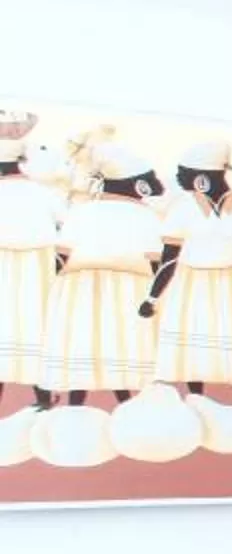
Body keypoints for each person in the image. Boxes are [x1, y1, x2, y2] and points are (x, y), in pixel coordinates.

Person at [38, 140, 166, 411]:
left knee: (84, 344)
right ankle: (128, 405)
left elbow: (60, 256)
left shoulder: (81, 212)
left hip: (80, 289)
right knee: (122, 345)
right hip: (130, 288)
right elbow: (158, 261)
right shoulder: (147, 217)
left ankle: (75, 407)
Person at [147, 140, 232, 407]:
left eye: (184, 174)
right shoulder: (182, 208)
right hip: (195, 285)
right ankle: (196, 400)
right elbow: (169, 258)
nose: (179, 179)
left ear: (201, 178)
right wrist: (152, 297)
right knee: (195, 342)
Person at [0, 113, 56, 408]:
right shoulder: (43, 192)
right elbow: (63, 224)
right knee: (36, 334)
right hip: (38, 271)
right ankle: (44, 401)